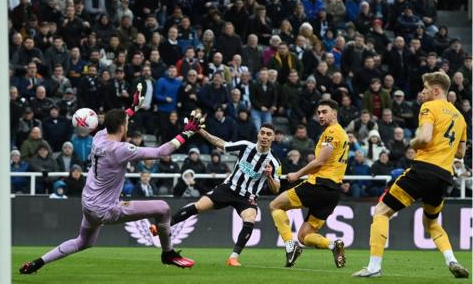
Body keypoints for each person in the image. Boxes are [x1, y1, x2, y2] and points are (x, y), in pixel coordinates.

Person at [19, 89, 202, 274]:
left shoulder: (99, 137)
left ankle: (38, 263)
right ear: (122, 127)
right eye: (127, 124)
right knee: (163, 208)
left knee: (82, 242)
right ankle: (168, 253)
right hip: (106, 209)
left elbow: (116, 121)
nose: (128, 126)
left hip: (88, 203)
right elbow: (161, 152)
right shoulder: (121, 149)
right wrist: (186, 133)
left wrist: (132, 108)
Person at [353, 72, 469, 278]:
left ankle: (373, 267)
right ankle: (452, 260)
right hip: (444, 178)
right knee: (432, 223)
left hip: (424, 170)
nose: (422, 93)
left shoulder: (429, 107)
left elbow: (423, 137)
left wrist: (412, 142)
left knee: (381, 211)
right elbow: (460, 153)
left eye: (425, 89)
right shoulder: (460, 118)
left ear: (436, 90)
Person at [157, 123, 281, 267]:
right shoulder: (245, 146)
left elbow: (276, 189)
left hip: (247, 197)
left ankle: (233, 258)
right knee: (199, 206)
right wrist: (200, 130)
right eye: (263, 133)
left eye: (269, 134)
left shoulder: (274, 162)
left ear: (273, 138)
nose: (265, 136)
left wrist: (270, 176)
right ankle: (163, 226)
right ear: (258, 134)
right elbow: (219, 143)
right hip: (228, 188)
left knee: (250, 219)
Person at [269, 99, 348, 268]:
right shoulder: (341, 133)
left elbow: (320, 162)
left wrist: (297, 174)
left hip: (318, 185)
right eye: (318, 112)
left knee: (275, 205)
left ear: (334, 113)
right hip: (333, 192)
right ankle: (333, 245)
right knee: (304, 236)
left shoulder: (331, 132)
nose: (320, 115)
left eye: (324, 112)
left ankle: (290, 246)